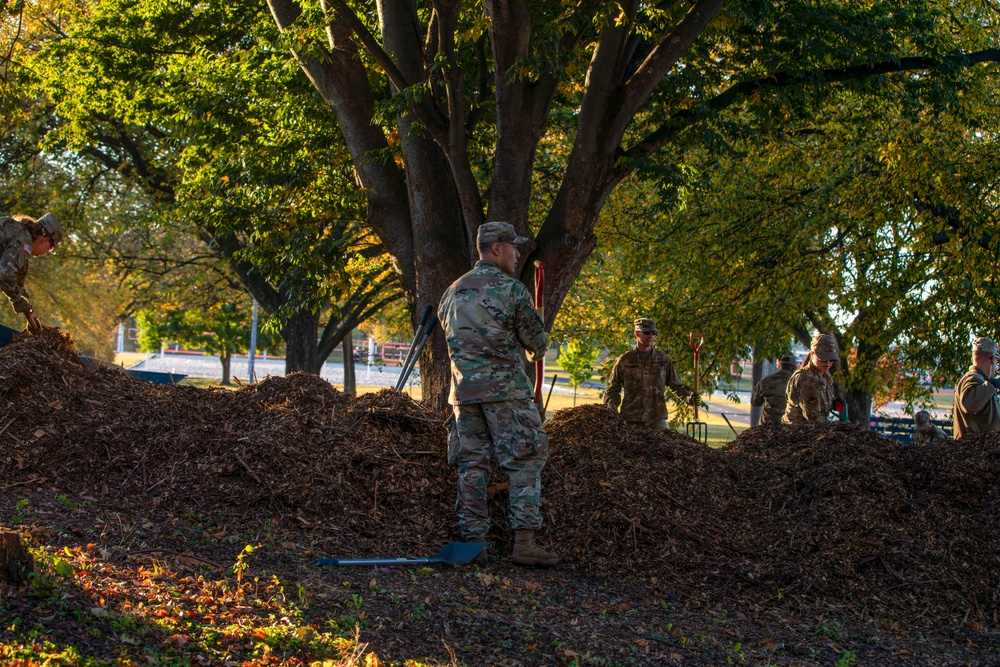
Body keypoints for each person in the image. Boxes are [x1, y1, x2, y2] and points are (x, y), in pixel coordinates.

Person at [438, 221, 558, 566]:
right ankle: (524, 543)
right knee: (524, 460)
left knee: (471, 466)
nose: (518, 253)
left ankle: (475, 543)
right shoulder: (512, 290)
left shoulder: (452, 291)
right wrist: (539, 339)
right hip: (506, 392)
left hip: (464, 395)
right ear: (496, 249)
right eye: (513, 247)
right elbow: (536, 343)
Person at [603, 317, 700, 430]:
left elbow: (676, 385)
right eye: (646, 332)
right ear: (637, 333)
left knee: (664, 446)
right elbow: (612, 390)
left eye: (653, 333)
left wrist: (689, 397)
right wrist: (611, 410)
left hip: (656, 420)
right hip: (631, 420)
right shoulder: (624, 361)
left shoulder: (663, 360)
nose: (651, 336)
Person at [0, 212, 63, 332]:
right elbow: (5, 273)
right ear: (45, 240)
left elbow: (15, 284)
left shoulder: (17, 234)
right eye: (50, 248)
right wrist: (17, 300)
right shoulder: (24, 241)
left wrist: (31, 316)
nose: (46, 252)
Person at [783, 334, 841, 424]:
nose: (828, 363)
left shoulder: (825, 375)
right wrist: (836, 426)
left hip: (813, 430)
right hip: (796, 431)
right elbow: (812, 417)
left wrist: (832, 403)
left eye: (831, 359)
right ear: (812, 354)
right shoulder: (805, 379)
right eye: (823, 359)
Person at [952, 337, 1000, 439]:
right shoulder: (974, 379)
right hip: (976, 451)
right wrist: (992, 385)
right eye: (996, 359)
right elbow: (969, 404)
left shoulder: (980, 379)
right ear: (992, 359)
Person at [750, 355, 796, 425]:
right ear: (793, 369)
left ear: (780, 366)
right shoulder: (796, 383)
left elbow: (755, 402)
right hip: (786, 427)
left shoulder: (766, 381)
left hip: (766, 425)